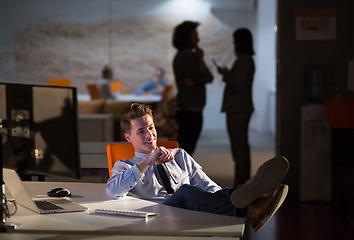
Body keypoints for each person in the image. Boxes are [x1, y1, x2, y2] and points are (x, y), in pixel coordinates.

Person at [106, 103, 289, 232]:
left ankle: (246, 200)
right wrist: (148, 161)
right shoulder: (125, 166)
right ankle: (250, 210)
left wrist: (228, 197)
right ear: (128, 137)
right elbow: (113, 191)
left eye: (151, 127)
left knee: (204, 191)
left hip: (192, 211)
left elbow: (206, 185)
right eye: (141, 131)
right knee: (185, 192)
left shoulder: (178, 155)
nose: (150, 135)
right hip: (159, 215)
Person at [215, 28, 255, 186]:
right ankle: (242, 182)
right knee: (241, 147)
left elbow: (237, 84)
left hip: (238, 109)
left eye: (235, 41)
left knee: (239, 149)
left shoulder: (244, 60)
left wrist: (225, 74)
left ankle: (242, 183)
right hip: (240, 108)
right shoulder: (246, 60)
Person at [172, 21, 213, 155]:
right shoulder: (181, 58)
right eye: (195, 36)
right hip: (187, 109)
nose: (198, 39)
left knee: (190, 147)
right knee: (185, 148)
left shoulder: (195, 56)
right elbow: (200, 77)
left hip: (197, 107)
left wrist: (200, 61)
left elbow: (208, 78)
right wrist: (200, 64)